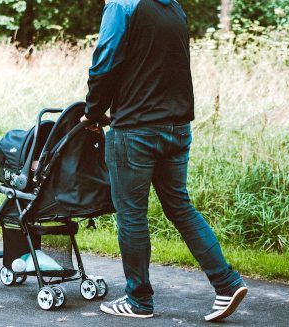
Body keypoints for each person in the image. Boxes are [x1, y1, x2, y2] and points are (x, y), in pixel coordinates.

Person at [80, 0, 248, 322]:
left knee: (131, 215)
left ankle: (138, 300)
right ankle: (227, 283)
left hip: (135, 130)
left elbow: (104, 64)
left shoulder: (122, 6)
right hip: (177, 127)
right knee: (180, 207)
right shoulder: (173, 8)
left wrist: (93, 110)